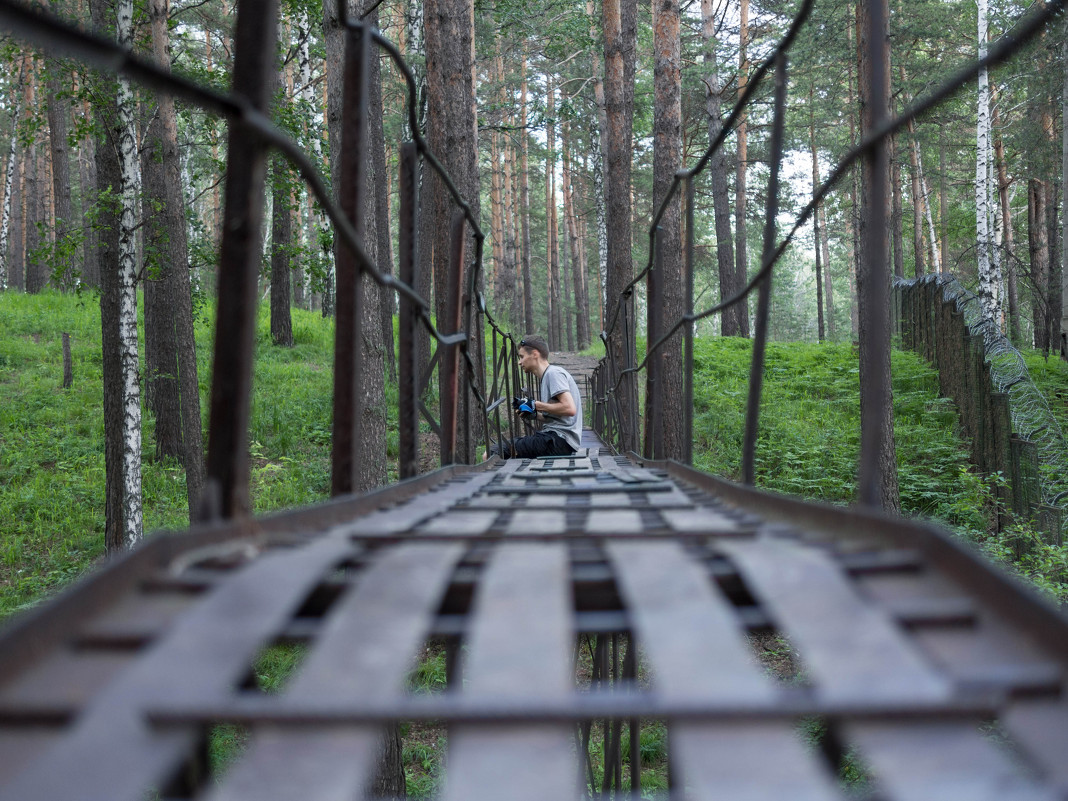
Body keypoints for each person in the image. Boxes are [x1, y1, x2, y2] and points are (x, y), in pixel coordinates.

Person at [488, 335, 583, 459]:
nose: (519, 362)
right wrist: (533, 414)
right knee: (500, 448)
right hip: (557, 441)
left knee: (492, 453)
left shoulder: (553, 373)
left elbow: (570, 409)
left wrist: (535, 405)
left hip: (557, 440)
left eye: (521, 357)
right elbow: (558, 417)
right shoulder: (548, 376)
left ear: (534, 354)